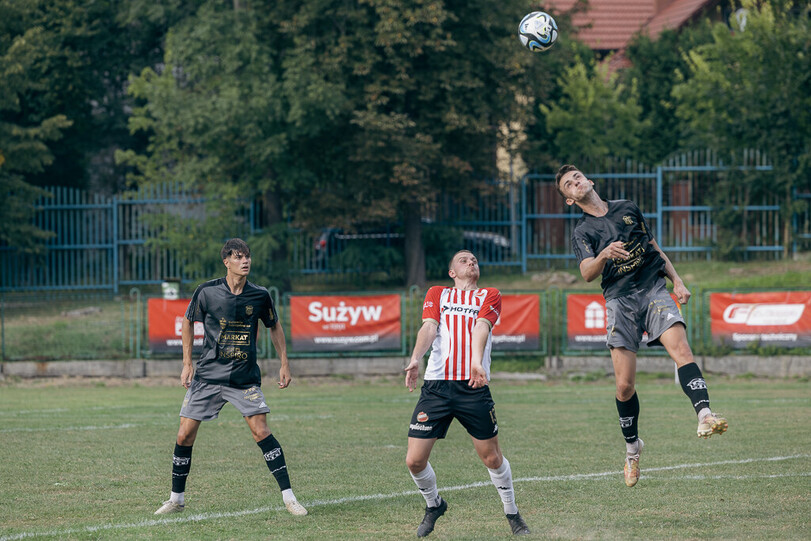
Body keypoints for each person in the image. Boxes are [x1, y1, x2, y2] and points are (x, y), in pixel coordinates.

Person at [555, 164, 728, 488]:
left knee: (682, 350)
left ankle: (705, 415)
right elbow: (587, 273)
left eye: (577, 176)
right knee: (624, 386)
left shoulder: (627, 208)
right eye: (568, 184)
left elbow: (653, 249)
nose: (576, 182)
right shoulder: (582, 232)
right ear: (569, 199)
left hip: (652, 290)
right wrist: (605, 254)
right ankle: (633, 448)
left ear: (589, 179)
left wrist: (676, 280)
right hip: (619, 301)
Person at [154, 238, 307, 516]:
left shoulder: (260, 295)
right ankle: (176, 499)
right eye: (238, 257)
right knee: (184, 434)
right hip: (208, 376)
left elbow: (274, 326)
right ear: (226, 261)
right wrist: (187, 362)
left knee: (261, 431)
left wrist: (284, 362)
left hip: (244, 378)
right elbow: (188, 322)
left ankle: (289, 498)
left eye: (247, 256)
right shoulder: (207, 292)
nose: (245, 261)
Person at [403, 250, 530, 537]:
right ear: (452, 273)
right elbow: (429, 327)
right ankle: (434, 505)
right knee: (414, 460)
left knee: (492, 458)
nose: (470, 262)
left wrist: (475, 362)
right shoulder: (438, 293)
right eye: (463, 260)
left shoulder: (489, 294)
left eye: (473, 260)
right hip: (436, 386)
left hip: (473, 386)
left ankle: (512, 512)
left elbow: (481, 327)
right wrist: (415, 358)